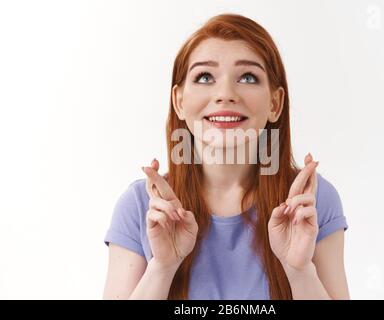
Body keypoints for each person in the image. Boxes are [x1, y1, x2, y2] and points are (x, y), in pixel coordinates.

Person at [103, 13, 349, 300]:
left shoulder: (312, 201)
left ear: (275, 103)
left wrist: (299, 270)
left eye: (247, 77)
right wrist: (162, 268)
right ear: (179, 102)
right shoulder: (141, 206)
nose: (225, 94)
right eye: (205, 77)